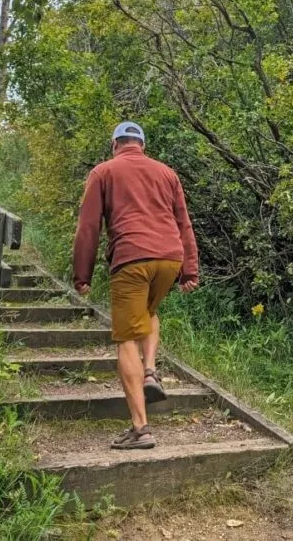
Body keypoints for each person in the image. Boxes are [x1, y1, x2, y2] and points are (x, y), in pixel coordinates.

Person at [72, 121, 200, 450]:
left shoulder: (103, 172)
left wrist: (82, 275)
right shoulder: (167, 173)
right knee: (148, 311)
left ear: (115, 144)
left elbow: (88, 226)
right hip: (170, 258)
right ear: (141, 145)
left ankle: (140, 429)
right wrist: (189, 271)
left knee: (126, 337)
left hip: (132, 257)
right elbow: (183, 222)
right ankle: (151, 370)